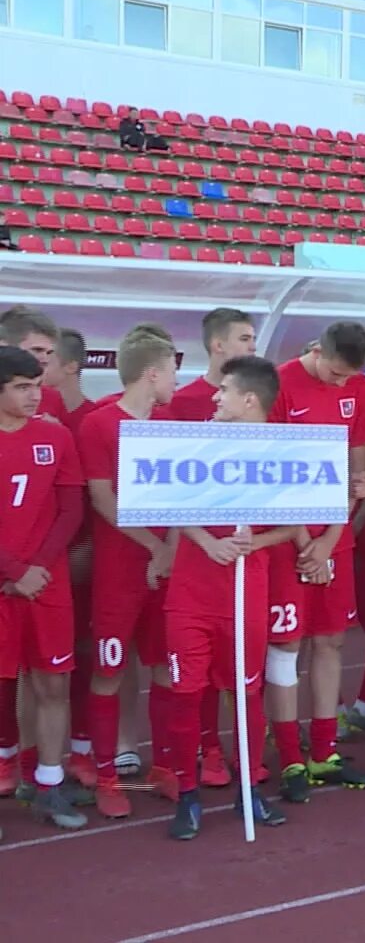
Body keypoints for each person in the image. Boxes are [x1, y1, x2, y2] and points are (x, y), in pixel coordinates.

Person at [164, 356, 307, 839]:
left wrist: (255, 543)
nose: (215, 397)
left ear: (250, 399)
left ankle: (249, 789)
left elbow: (295, 524)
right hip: (190, 594)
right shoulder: (197, 443)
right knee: (186, 695)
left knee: (246, 695)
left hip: (246, 595)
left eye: (224, 390)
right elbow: (164, 503)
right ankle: (187, 795)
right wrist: (208, 541)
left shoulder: (283, 449)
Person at [272, 322, 365, 802]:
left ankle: (324, 751)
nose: (340, 384)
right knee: (287, 645)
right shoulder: (280, 383)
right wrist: (302, 543)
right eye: (334, 373)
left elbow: (357, 471)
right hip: (284, 536)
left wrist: (331, 537)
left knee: (331, 640)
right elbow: (270, 471)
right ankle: (291, 755)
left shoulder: (359, 388)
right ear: (317, 351)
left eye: (348, 377)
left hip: (332, 535)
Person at [78, 327, 178, 819]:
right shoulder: (98, 425)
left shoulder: (170, 422)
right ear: (152, 373)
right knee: (109, 672)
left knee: (163, 667)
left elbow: (183, 499)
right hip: (119, 574)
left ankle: (164, 766)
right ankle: (106, 776)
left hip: (163, 572)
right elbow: (102, 499)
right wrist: (155, 546)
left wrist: (170, 550)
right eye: (173, 370)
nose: (177, 381)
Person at [0, 345, 89, 833]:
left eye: (37, 385)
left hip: (46, 585)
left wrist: (36, 567)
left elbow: (71, 511)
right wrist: (13, 570)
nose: (35, 396)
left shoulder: (54, 438)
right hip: (8, 583)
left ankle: (50, 784)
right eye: (21, 387)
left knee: (52, 684)